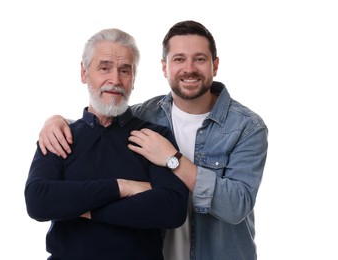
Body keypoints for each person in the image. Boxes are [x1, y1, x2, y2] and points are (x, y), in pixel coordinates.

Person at [38, 20, 269, 260]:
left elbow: (236, 206)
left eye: (199, 59)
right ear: (164, 67)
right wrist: (57, 121)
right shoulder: (145, 115)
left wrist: (173, 159)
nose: (189, 68)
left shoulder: (246, 127)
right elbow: (103, 116)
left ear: (215, 65)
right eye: (179, 59)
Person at [25, 28, 189, 260]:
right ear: (84, 72)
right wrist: (122, 187)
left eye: (125, 70)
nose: (115, 80)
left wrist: (83, 208)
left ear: (133, 80)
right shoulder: (59, 135)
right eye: (104, 68)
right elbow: (38, 201)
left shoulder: (153, 136)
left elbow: (171, 209)